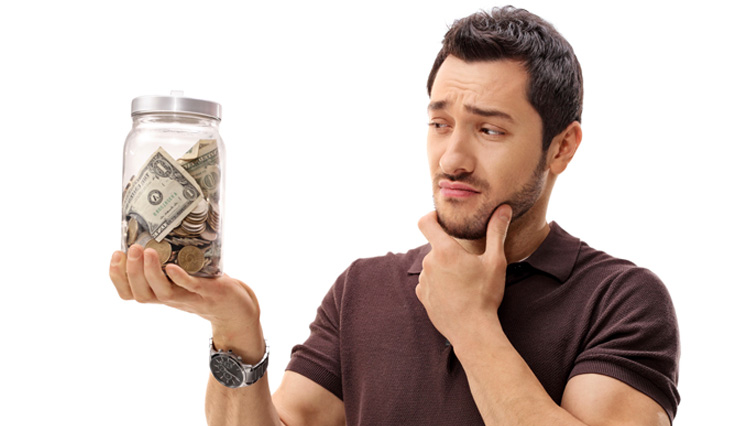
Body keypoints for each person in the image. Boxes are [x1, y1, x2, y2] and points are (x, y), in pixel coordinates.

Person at [109, 6, 680, 425]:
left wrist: (471, 324)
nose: (452, 157)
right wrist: (236, 332)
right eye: (439, 123)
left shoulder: (622, 300)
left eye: (489, 129)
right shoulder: (363, 289)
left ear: (562, 147)